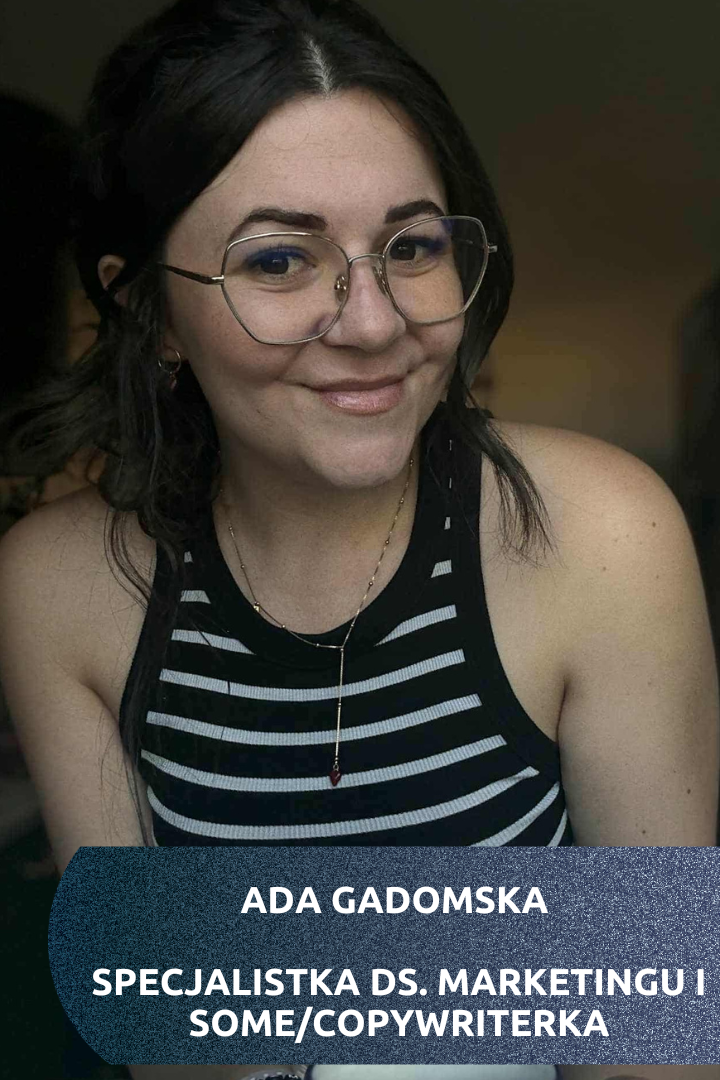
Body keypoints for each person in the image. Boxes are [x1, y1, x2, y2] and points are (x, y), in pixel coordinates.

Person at [0, 1, 717, 1078]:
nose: (375, 322)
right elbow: (154, 1034)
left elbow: (657, 1034)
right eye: (279, 260)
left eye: (411, 246)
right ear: (147, 310)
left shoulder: (599, 534)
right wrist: (561, 951)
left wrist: (221, 956)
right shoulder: (61, 586)